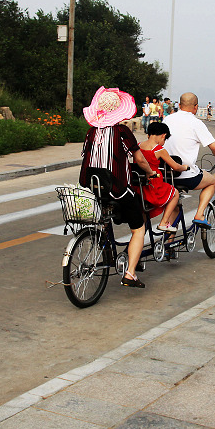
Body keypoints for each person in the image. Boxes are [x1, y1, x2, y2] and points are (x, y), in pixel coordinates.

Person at [79, 87, 159, 288]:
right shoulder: (121, 131)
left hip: (95, 187)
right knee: (138, 228)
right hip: (118, 188)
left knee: (109, 214)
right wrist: (150, 172)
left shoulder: (91, 132)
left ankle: (108, 245)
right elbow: (139, 159)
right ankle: (130, 274)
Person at [164, 92, 215, 227]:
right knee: (211, 182)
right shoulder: (195, 123)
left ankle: (168, 244)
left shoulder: (167, 119)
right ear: (196, 107)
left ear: (179, 105)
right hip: (185, 175)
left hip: (165, 175)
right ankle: (199, 214)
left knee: (174, 205)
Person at [138, 122, 190, 258]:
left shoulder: (139, 146)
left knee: (142, 223)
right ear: (163, 135)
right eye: (164, 139)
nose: (164, 142)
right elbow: (175, 167)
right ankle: (164, 222)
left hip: (140, 186)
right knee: (175, 193)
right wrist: (185, 167)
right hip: (154, 185)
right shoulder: (159, 150)